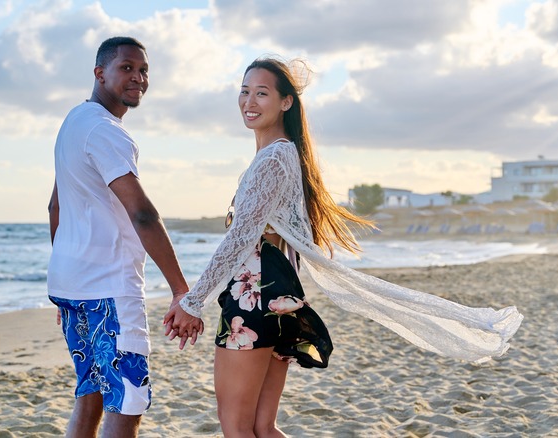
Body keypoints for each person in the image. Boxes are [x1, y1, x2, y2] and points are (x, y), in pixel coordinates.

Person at [164, 57, 523, 438]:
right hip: (279, 294)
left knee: (238, 428)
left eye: (262, 93)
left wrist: (193, 302)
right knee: (263, 428)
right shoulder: (286, 154)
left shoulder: (273, 159)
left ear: (286, 102)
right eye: (244, 91)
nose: (249, 101)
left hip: (253, 297)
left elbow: (240, 239)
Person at [47, 36, 203, 438]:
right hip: (109, 288)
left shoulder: (74, 122)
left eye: (144, 70)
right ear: (100, 73)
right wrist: (180, 289)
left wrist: (68, 277)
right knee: (127, 402)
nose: (138, 78)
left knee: (92, 395)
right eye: (127, 68)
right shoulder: (105, 131)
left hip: (72, 285)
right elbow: (142, 213)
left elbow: (55, 207)